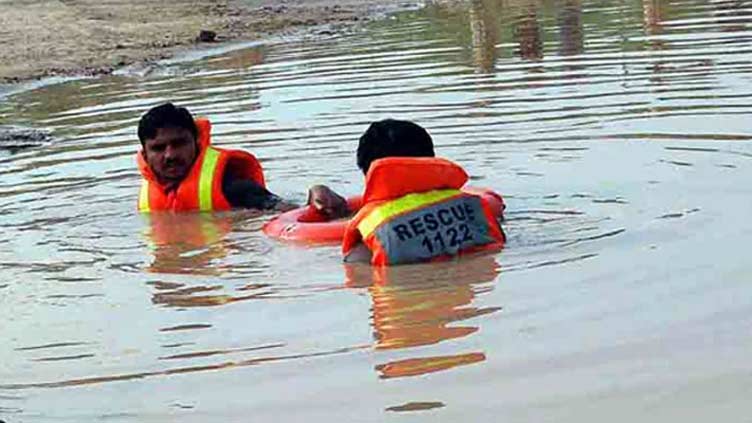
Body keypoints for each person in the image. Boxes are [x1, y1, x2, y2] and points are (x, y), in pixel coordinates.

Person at [337, 119, 506, 266]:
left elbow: (358, 270)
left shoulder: (373, 228)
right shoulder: (472, 206)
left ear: (368, 173)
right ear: (431, 160)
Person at [136, 102, 343, 213]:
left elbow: (288, 210)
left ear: (197, 143)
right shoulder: (148, 194)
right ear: (145, 154)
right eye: (159, 148)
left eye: (179, 144)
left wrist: (317, 195)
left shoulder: (231, 186)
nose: (170, 155)